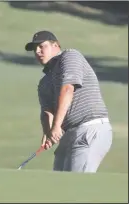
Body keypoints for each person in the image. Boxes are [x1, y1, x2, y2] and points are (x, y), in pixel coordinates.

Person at [24, 30, 113, 173]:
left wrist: (56, 126)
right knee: (60, 185)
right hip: (68, 136)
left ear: (56, 45)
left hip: (89, 129)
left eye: (42, 46)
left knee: (76, 185)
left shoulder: (70, 56)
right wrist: (48, 132)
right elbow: (47, 111)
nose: (37, 51)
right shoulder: (44, 82)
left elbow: (67, 89)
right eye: (34, 49)